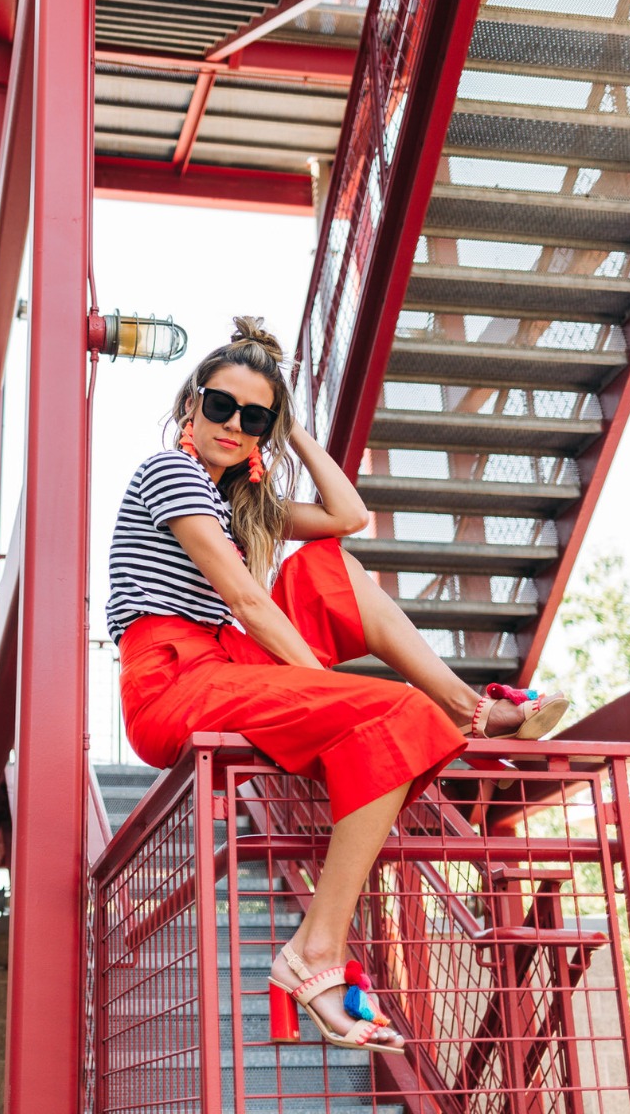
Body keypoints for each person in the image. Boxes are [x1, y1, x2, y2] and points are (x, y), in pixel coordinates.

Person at [105, 316, 567, 1055]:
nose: (232, 425)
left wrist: (289, 431)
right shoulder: (171, 472)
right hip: (170, 681)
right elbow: (249, 602)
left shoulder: (232, 500)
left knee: (326, 567)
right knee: (390, 712)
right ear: (191, 404)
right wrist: (325, 690)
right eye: (220, 406)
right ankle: (313, 950)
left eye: (253, 418)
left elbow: (347, 517)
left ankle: (469, 707)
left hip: (218, 660)